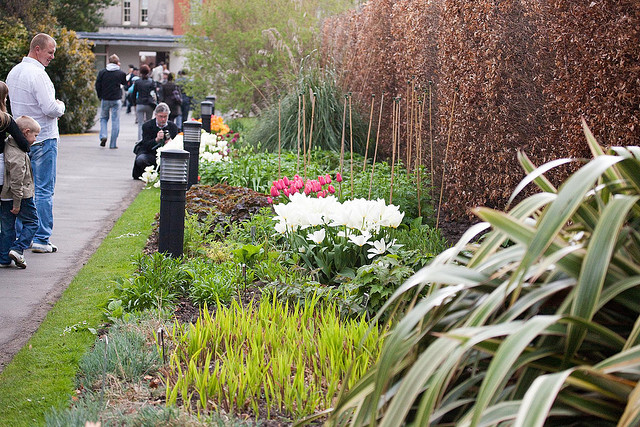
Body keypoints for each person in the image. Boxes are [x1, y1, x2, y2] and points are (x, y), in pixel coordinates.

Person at [6, 33, 65, 254]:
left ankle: (25, 235)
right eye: (50, 52)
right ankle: (42, 237)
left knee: (22, 189)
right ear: (37, 49)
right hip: (44, 137)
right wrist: (61, 106)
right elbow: (50, 108)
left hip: (22, 139)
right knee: (43, 190)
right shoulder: (38, 75)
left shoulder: (14, 72)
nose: (52, 57)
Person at [0, 116, 41, 269]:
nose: (35, 139)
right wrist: (17, 204)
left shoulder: (8, 145)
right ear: (26, 132)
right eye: (35, 135)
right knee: (32, 222)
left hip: (5, 196)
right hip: (21, 196)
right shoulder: (17, 154)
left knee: (7, 227)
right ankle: (18, 248)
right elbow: (17, 181)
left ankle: (4, 258)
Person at [132, 103, 179, 180]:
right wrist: (156, 140)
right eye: (161, 116)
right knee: (141, 159)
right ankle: (149, 174)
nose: (163, 119)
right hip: (151, 154)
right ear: (156, 115)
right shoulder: (147, 126)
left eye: (165, 117)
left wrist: (170, 143)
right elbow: (145, 145)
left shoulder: (172, 127)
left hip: (166, 155)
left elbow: (177, 144)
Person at [95, 54, 127, 149]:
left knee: (104, 118)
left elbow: (97, 85)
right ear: (117, 62)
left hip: (105, 98)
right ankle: (113, 144)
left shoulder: (102, 72)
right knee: (115, 120)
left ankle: (104, 135)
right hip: (116, 99)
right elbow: (124, 83)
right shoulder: (120, 73)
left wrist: (100, 95)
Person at [131, 64, 156, 141]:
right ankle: (147, 140)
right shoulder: (151, 82)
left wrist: (134, 103)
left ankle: (140, 140)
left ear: (140, 72)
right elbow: (154, 93)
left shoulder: (137, 82)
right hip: (149, 104)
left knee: (140, 124)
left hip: (140, 104)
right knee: (149, 123)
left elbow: (134, 94)